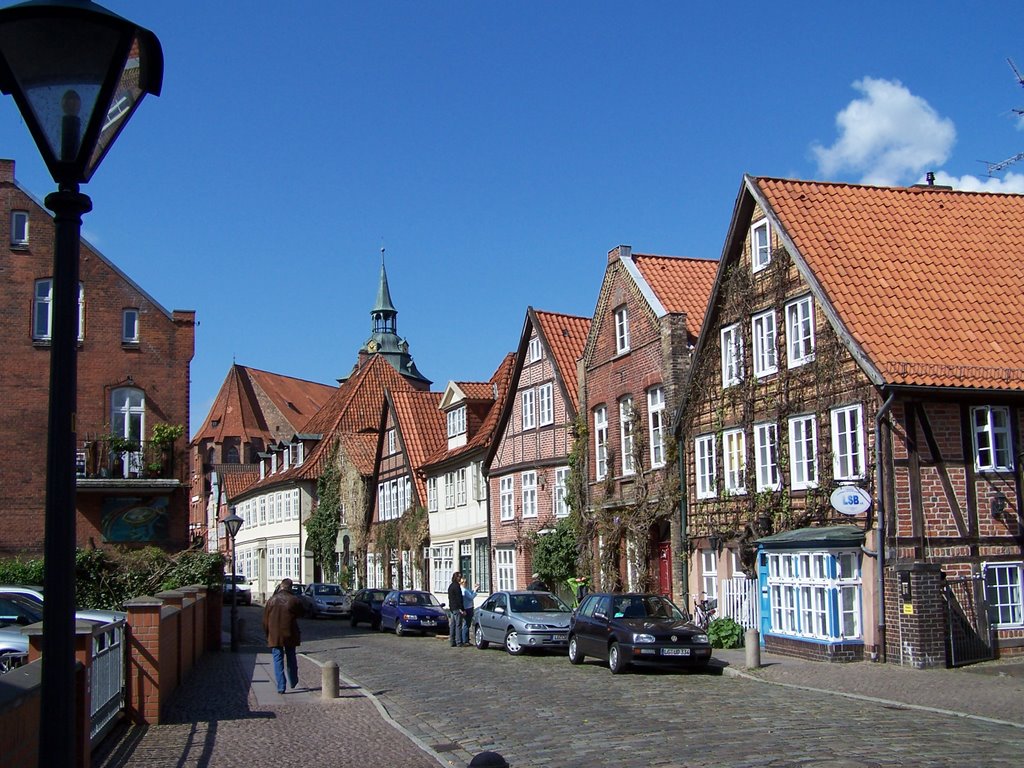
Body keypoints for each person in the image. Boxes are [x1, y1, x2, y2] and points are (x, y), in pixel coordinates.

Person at [262, 577, 304, 694]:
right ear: (290, 587)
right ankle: (293, 680)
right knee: (291, 657)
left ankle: (281, 686)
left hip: (275, 635)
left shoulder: (271, 600)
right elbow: (301, 613)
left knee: (277, 659)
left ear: (281, 586)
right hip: (290, 633)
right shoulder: (294, 600)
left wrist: (267, 634)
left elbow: (265, 621)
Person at [447, 571, 465, 647]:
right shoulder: (457, 586)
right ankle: (458, 642)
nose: (460, 578)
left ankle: (452, 641)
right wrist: (462, 609)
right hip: (457, 608)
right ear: (456, 577)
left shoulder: (450, 586)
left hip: (452, 608)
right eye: (459, 577)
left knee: (452, 625)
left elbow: (450, 598)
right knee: (458, 625)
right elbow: (459, 599)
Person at [460, 576, 479, 646]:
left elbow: (470, 592)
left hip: (468, 608)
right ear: (462, 583)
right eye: (465, 582)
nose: (466, 584)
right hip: (468, 608)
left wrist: (474, 589)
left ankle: (466, 639)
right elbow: (471, 597)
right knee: (466, 624)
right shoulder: (464, 590)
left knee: (466, 624)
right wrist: (475, 591)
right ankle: (465, 640)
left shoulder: (465, 589)